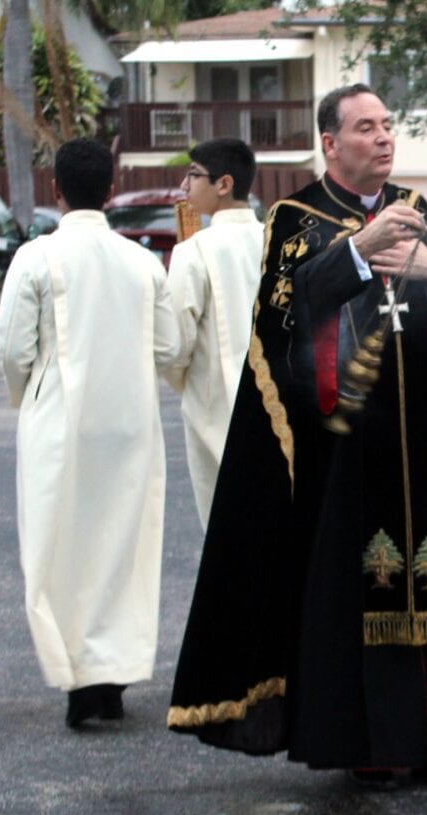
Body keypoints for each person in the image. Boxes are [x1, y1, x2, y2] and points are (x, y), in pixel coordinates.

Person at [166, 83, 427, 788]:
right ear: (330, 143)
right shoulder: (296, 218)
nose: (383, 138)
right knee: (364, 587)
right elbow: (284, 317)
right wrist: (358, 255)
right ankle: (372, 743)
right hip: (348, 450)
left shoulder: (418, 209)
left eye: (387, 126)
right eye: (364, 128)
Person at [0, 137, 182, 728]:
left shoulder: (36, 256)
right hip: (128, 422)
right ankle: (113, 677)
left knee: (60, 545)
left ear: (56, 189)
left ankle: (77, 676)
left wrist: (31, 394)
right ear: (110, 189)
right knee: (122, 546)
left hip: (60, 421)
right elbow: (170, 347)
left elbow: (10, 348)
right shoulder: (143, 261)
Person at [165, 137, 266, 528]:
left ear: (224, 184)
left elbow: (174, 347)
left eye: (193, 175)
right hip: (277, 404)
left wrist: (188, 384)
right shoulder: (277, 241)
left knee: (224, 527)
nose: (184, 186)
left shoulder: (194, 251)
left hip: (215, 403)